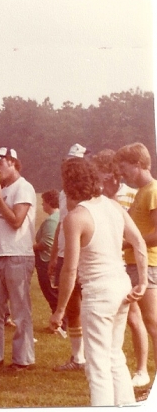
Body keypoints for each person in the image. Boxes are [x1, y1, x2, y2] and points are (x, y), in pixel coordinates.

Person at [50, 157, 147, 406]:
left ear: (69, 184)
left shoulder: (76, 217)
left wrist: (59, 310)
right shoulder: (113, 206)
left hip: (100, 292)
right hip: (122, 286)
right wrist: (143, 282)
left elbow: (69, 270)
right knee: (115, 357)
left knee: (97, 365)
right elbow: (138, 243)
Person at [0, 147, 36, 370]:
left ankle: (23, 359)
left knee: (20, 310)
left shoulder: (23, 188)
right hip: (0, 255)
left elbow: (16, 221)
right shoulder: (3, 189)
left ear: (12, 162)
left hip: (18, 255)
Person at [115, 142, 157, 389]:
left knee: (152, 321)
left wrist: (128, 244)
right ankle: (142, 370)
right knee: (138, 319)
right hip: (136, 263)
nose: (123, 174)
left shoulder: (152, 191)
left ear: (139, 165)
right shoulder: (142, 191)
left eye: (125, 168)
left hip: (148, 264)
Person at [48, 143, 90, 372]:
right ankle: (78, 357)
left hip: (84, 255)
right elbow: (61, 225)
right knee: (73, 309)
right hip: (66, 255)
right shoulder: (64, 193)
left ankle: (95, 356)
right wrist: (55, 254)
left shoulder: (90, 193)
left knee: (91, 308)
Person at [34, 190, 60, 316]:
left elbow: (47, 244)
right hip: (52, 259)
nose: (42, 205)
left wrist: (31, 247)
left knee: (50, 291)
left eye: (44, 202)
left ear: (50, 203)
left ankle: (59, 321)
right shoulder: (58, 217)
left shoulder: (51, 221)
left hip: (46, 260)